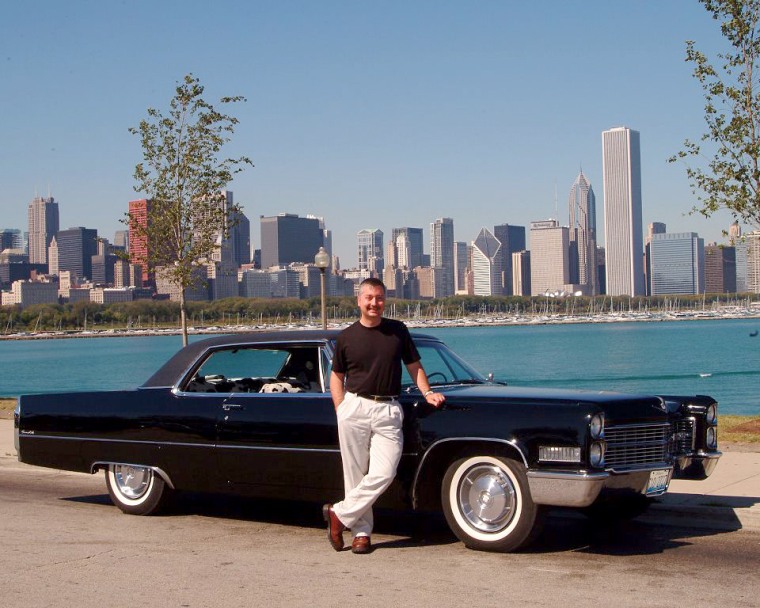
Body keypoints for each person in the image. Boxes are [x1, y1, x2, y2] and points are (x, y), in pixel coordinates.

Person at [323, 277, 446, 554]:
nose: (374, 303)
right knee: (354, 473)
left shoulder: (398, 331)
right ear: (359, 300)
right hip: (354, 407)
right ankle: (361, 534)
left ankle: (339, 514)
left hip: (389, 408)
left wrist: (427, 393)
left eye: (379, 298)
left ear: (384, 300)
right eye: (369, 298)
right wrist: (341, 407)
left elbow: (414, 367)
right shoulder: (346, 337)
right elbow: (336, 377)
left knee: (384, 471)